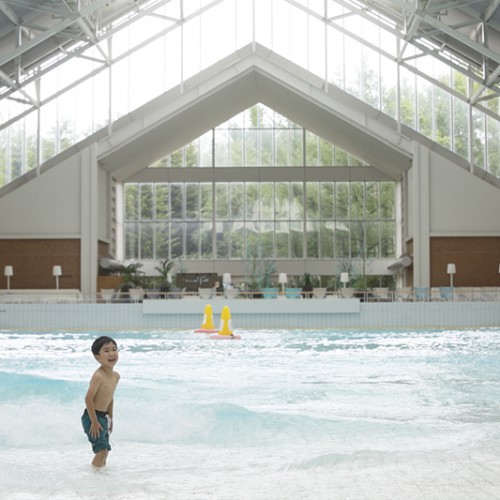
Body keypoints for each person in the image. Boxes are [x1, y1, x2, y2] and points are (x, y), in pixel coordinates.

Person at [81, 336, 120, 468]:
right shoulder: (98, 376)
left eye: (114, 349)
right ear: (97, 357)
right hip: (92, 417)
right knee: (101, 450)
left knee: (106, 451)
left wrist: (110, 418)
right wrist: (94, 422)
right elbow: (88, 399)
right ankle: (93, 479)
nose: (111, 354)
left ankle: (101, 477)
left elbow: (110, 397)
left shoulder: (116, 376)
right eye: (106, 350)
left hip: (103, 417)